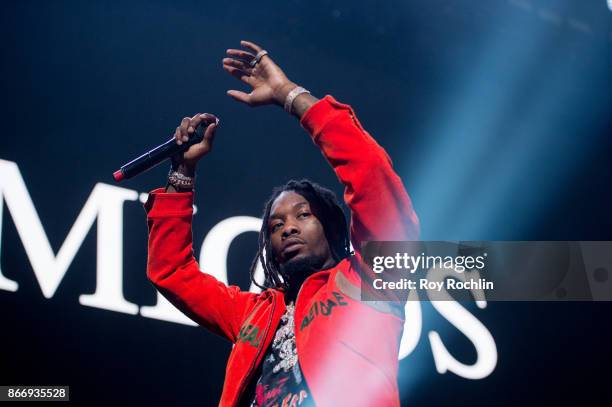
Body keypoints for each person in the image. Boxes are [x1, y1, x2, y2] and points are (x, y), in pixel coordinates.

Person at [144, 40, 420, 407]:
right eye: (275, 226)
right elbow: (172, 271)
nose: (287, 228)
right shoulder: (254, 315)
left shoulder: (372, 278)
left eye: (303, 215)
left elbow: (370, 173)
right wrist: (181, 174)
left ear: (332, 229)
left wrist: (290, 95)